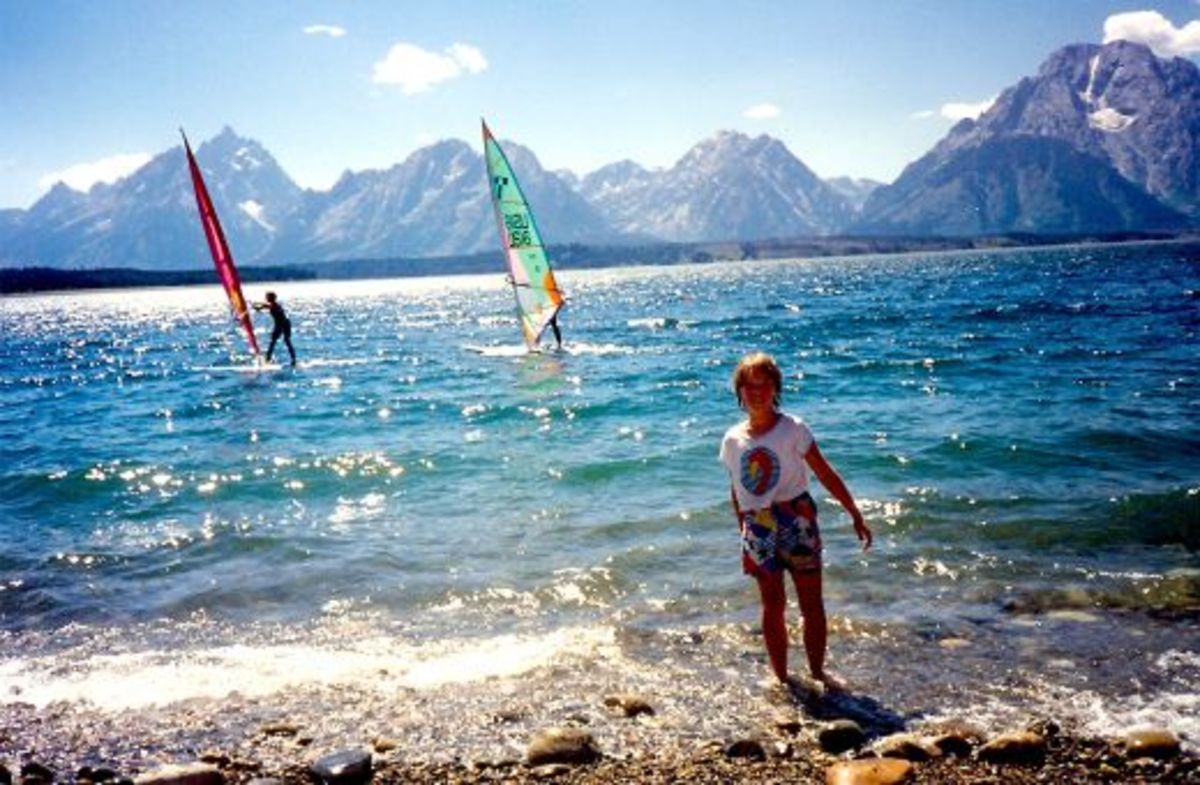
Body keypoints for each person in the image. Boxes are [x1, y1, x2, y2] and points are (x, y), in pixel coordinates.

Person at [718, 351, 871, 691]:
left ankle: (818, 674)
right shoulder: (732, 440)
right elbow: (737, 488)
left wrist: (854, 512)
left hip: (797, 519)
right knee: (772, 606)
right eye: (749, 386)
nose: (756, 392)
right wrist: (743, 526)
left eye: (764, 385)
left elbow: (825, 472)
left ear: (776, 388)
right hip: (757, 525)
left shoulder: (793, 429)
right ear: (739, 392)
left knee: (810, 604)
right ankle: (782, 680)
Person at [253, 291, 296, 366]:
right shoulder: (274, 304)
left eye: (267, 297)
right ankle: (292, 359)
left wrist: (258, 307)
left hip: (283, 324)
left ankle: (268, 359)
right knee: (279, 341)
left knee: (279, 341)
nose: (266, 298)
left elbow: (268, 306)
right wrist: (258, 306)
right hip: (284, 323)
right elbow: (265, 306)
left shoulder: (274, 306)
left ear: (270, 298)